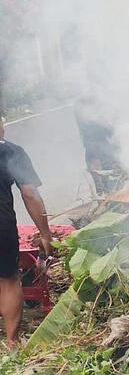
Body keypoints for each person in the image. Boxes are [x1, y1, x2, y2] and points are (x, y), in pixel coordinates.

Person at [0, 116, 51, 347]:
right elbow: (30, 193)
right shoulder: (11, 152)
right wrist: (45, 233)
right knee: (9, 279)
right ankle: (11, 341)